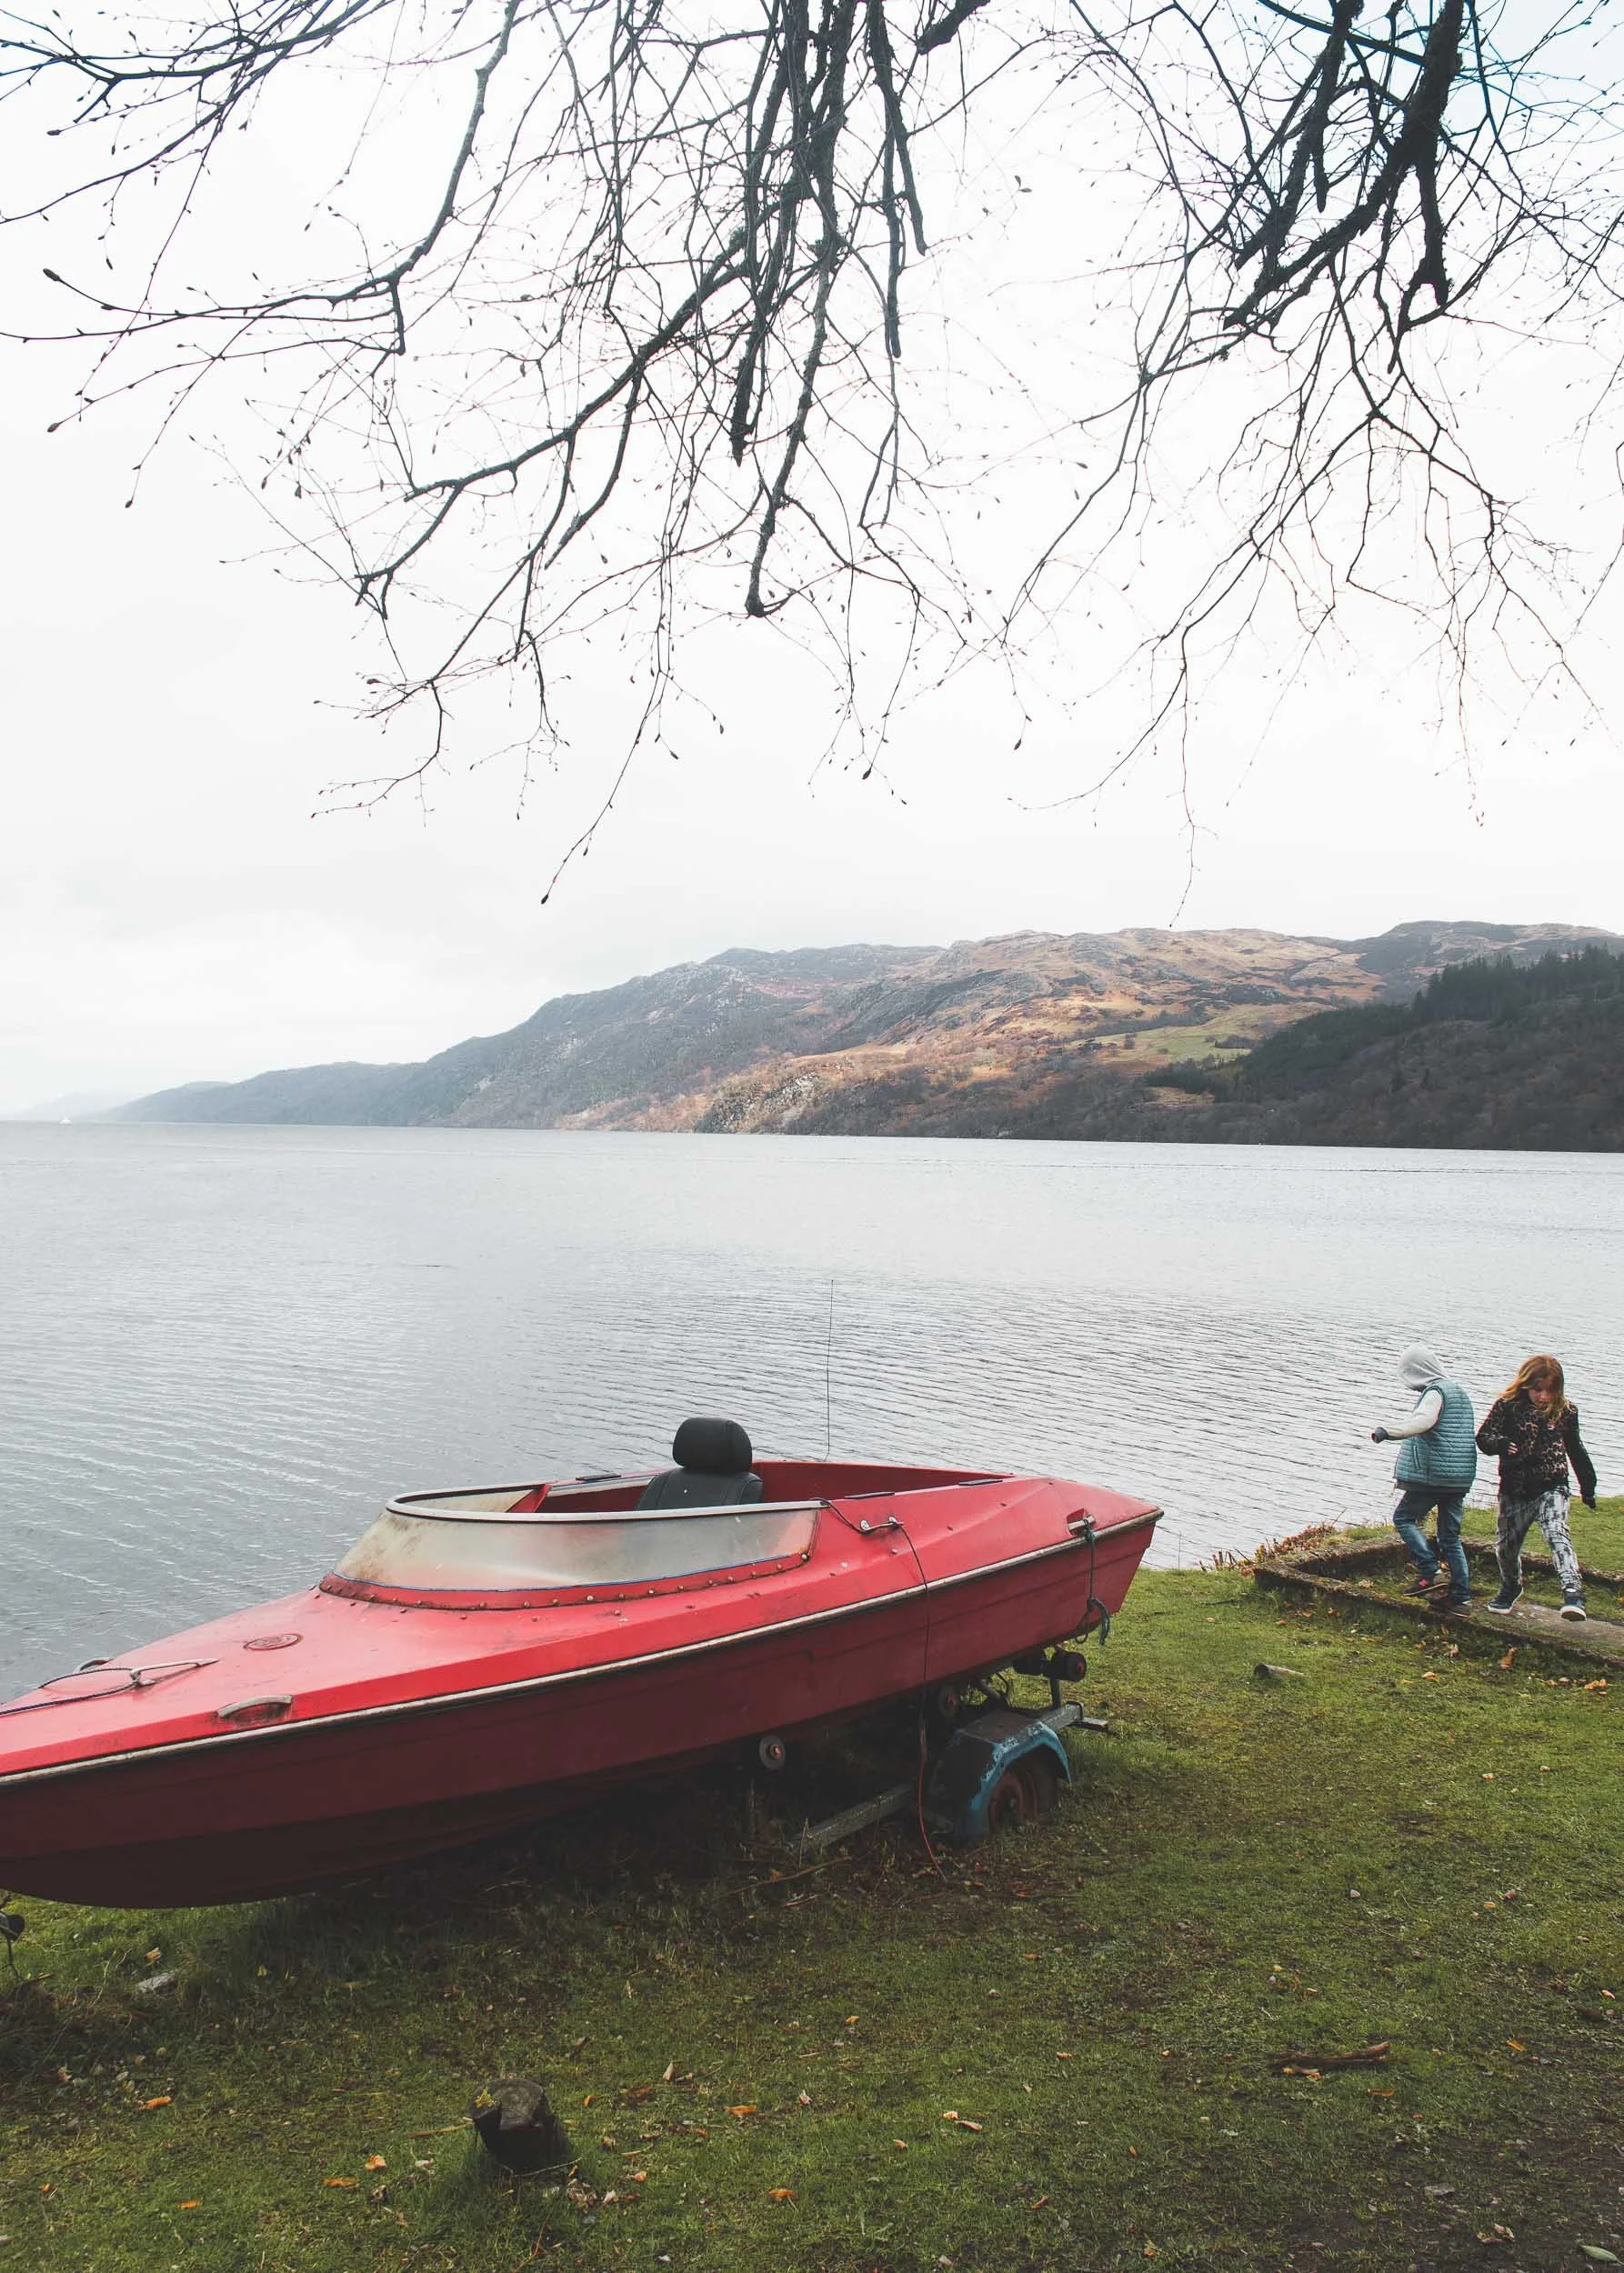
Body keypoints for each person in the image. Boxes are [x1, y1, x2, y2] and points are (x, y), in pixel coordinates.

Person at [1475, 1355, 1597, 1621]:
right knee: (1506, 1547)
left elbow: (1576, 1450)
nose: (1543, 1397)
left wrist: (1588, 1486)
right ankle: (1511, 1586)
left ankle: (1573, 1591)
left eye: (1550, 1391)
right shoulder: (1507, 1406)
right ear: (1525, 1386)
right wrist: (1501, 1443)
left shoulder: (1565, 1411)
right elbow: (1483, 1438)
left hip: (1552, 1485)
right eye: (1537, 1390)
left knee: (1556, 1532)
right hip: (1515, 1489)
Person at [1370, 1347, 1477, 1611]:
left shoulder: (1435, 1393)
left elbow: (1422, 1421)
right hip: (1459, 1478)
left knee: (1404, 1518)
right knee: (1450, 1537)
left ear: (1415, 1373)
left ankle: (1430, 1572)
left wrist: (1389, 1432)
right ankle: (1461, 1595)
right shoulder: (1459, 1393)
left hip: (1434, 1476)